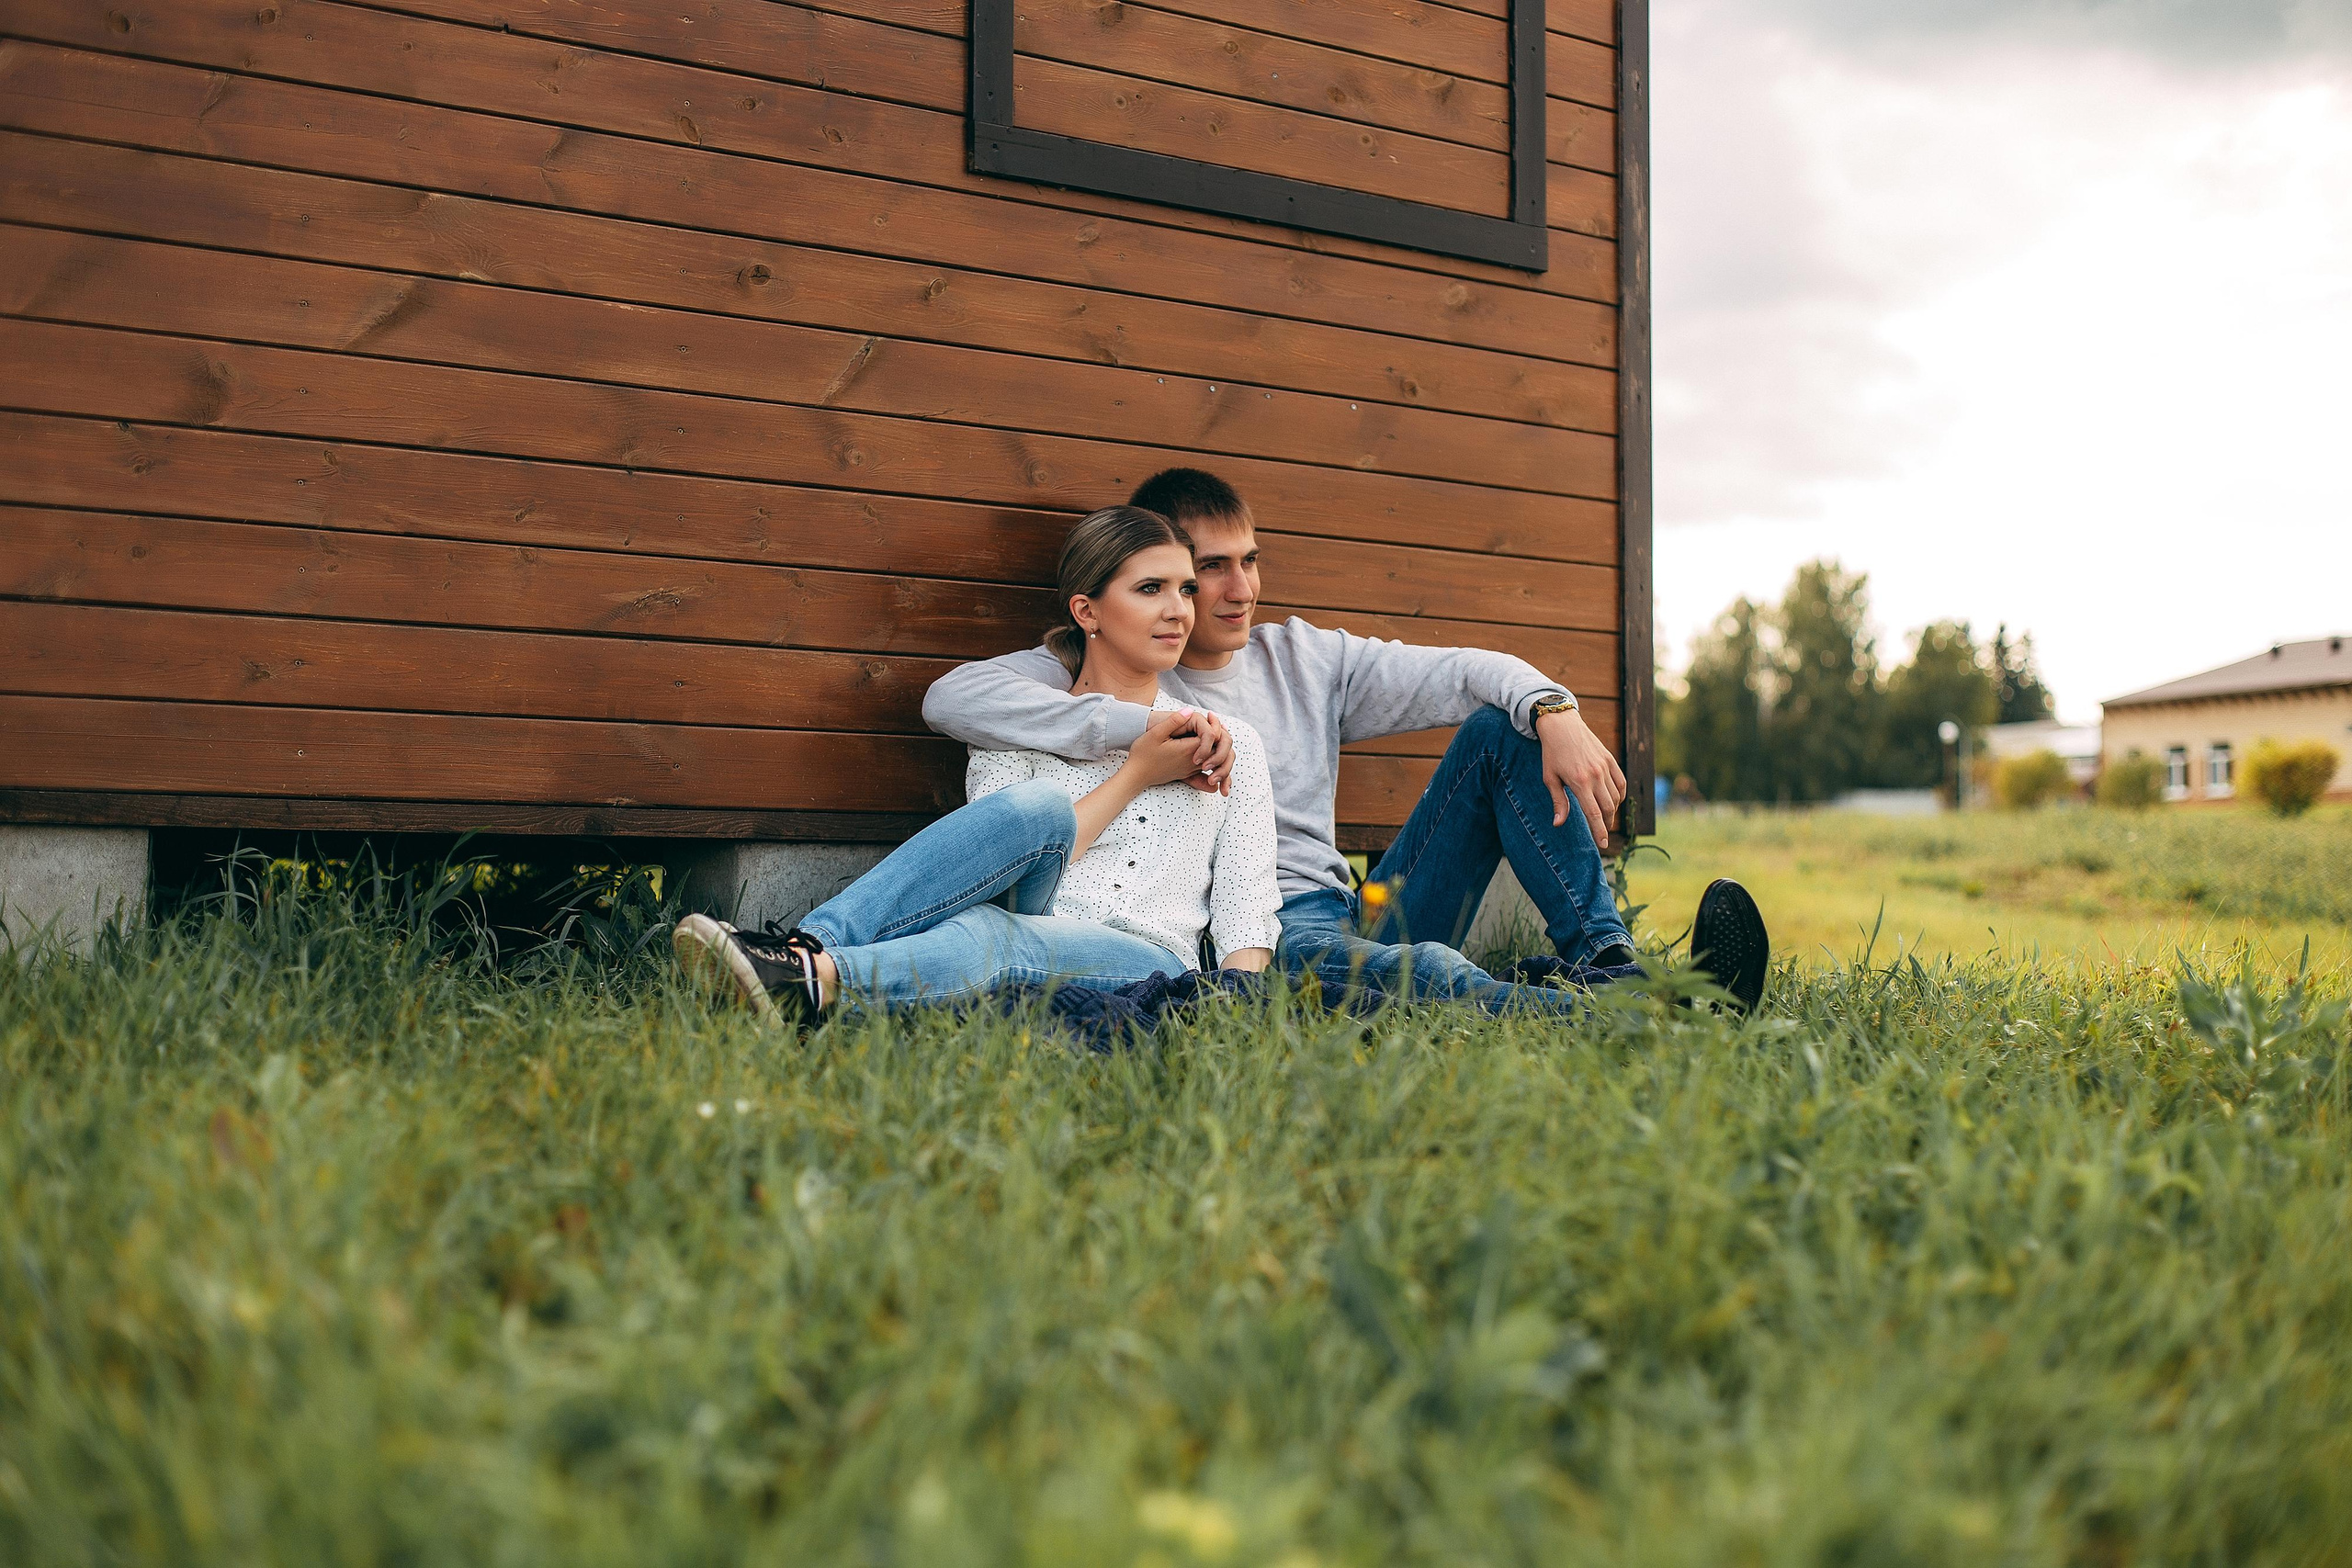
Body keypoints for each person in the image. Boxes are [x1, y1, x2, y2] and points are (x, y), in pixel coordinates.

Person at [922, 469, 1771, 1015]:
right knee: (1431, 972)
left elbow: (1470, 670)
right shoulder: (1117, 662)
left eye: (1249, 561)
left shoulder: (1306, 656)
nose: (1236, 588)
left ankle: (1607, 963)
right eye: (1207, 568)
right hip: (1255, 931)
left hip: (1356, 906)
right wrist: (1137, 726)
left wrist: (1555, 709)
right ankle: (1641, 1015)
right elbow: (955, 696)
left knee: (1497, 728)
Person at [673, 506, 1282, 1025]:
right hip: (1027, 912)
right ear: (1087, 611)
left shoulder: (1232, 743)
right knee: (1032, 823)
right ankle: (807, 953)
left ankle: (805, 974)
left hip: (1149, 954)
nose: (1179, 610)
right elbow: (996, 871)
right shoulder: (1013, 724)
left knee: (987, 932)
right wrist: (1135, 774)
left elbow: (1247, 904)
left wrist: (1233, 1006)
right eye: (1151, 589)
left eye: (1185, 589)